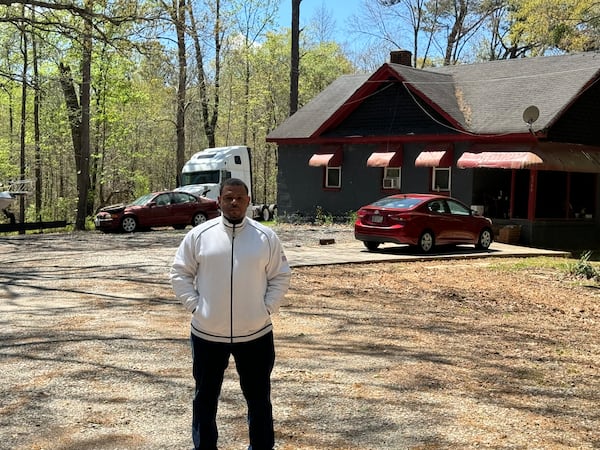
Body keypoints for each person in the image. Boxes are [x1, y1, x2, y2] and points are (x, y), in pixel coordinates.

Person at [170, 178, 292, 450]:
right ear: (219, 201)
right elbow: (180, 273)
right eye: (228, 197)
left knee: (259, 398)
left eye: (239, 197)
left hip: (256, 333)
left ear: (248, 201)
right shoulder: (199, 235)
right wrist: (196, 306)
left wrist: (266, 308)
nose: (234, 202)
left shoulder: (265, 237)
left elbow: (280, 276)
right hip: (207, 334)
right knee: (205, 397)